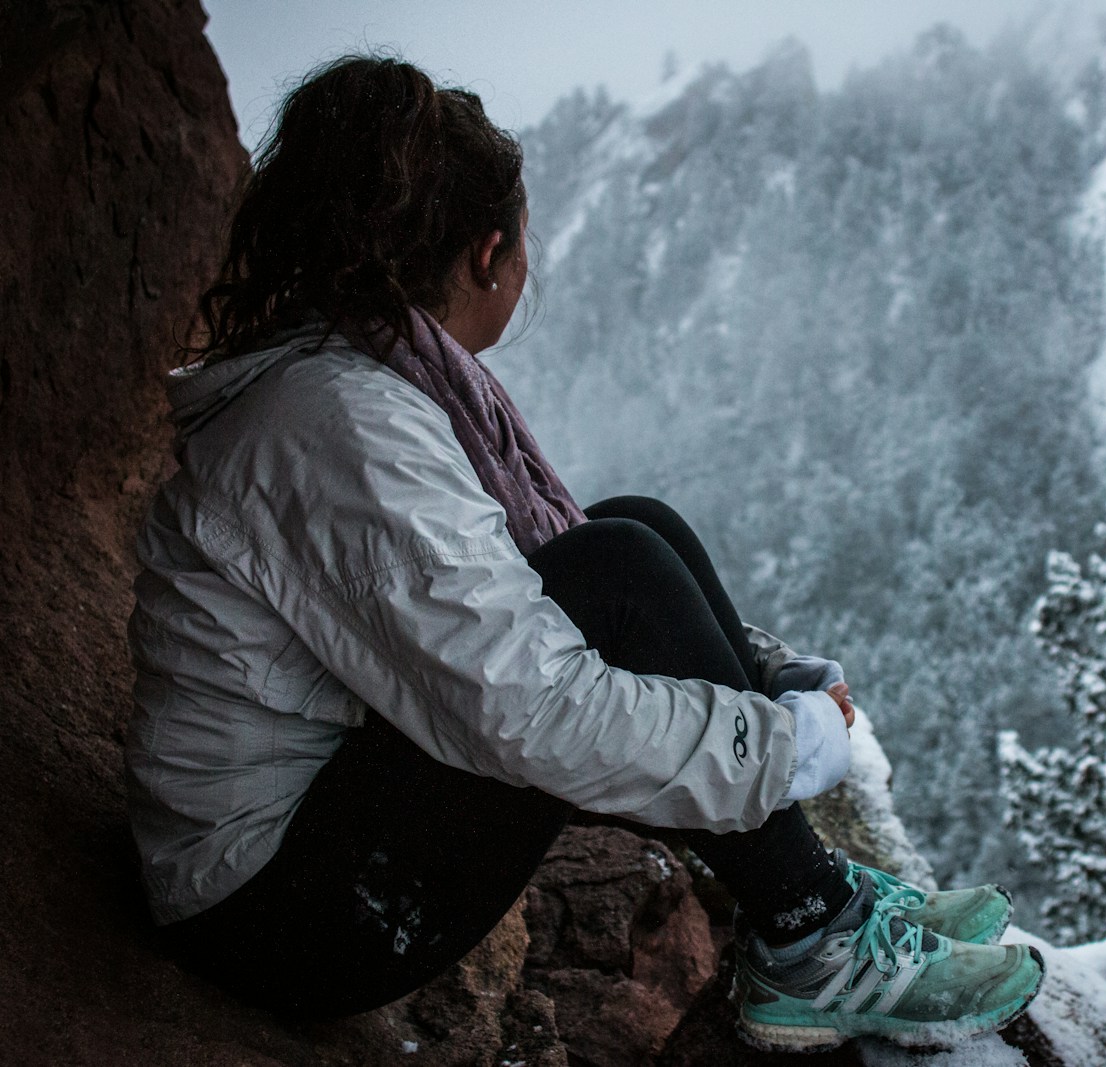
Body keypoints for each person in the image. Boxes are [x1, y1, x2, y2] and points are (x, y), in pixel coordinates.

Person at [124, 55, 1043, 1052]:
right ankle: (813, 939)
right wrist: (782, 745)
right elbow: (533, 712)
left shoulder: (351, 391)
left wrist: (757, 671)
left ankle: (810, 899)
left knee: (624, 530)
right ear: (489, 254)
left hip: (302, 842)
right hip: (275, 918)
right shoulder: (347, 425)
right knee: (612, 569)